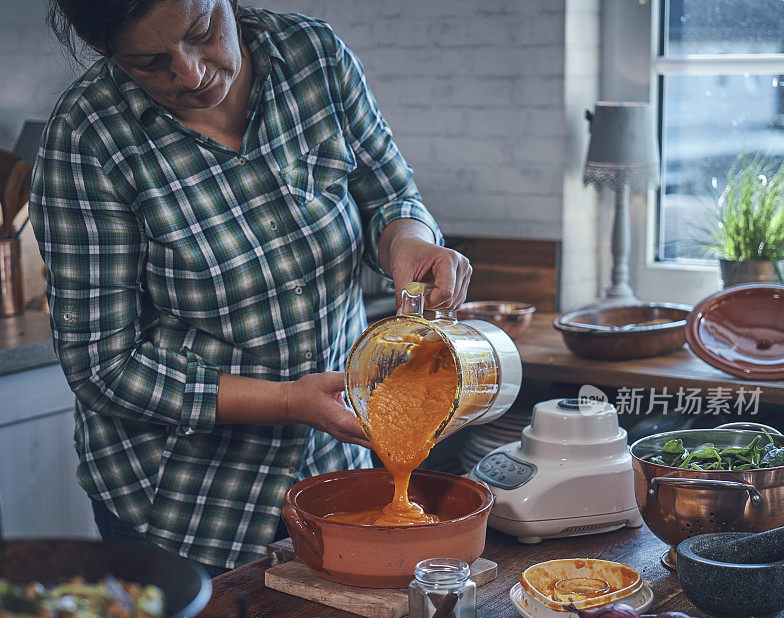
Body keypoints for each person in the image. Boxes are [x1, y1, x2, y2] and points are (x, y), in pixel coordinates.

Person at [31, 0, 472, 576]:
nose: (189, 73)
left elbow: (389, 198)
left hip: (329, 469)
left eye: (202, 31)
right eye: (147, 62)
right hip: (182, 504)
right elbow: (104, 368)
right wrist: (288, 401)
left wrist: (408, 241)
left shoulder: (310, 56)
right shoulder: (88, 137)